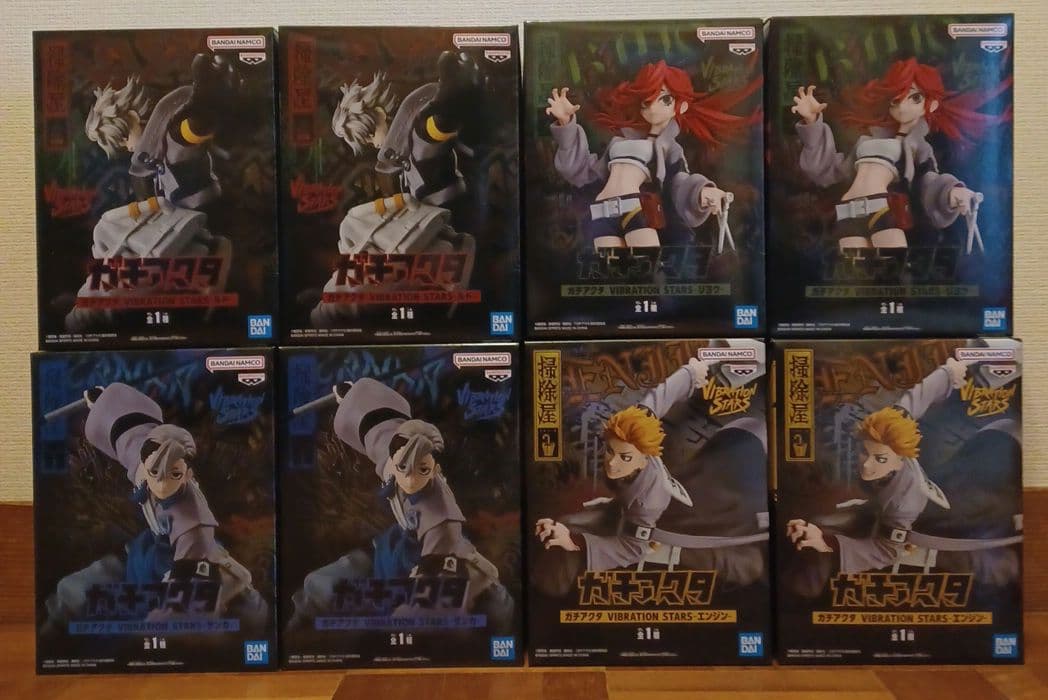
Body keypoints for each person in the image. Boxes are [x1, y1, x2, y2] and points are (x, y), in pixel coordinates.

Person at [533, 355, 769, 597]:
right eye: (610, 451)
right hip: (700, 485)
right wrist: (690, 373)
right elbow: (654, 403)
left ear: (644, 457)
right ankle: (545, 593)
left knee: (747, 565)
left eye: (625, 457)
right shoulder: (633, 436)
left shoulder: (650, 500)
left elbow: (632, 548)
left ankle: (548, 595)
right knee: (566, 525)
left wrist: (575, 543)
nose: (612, 462)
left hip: (682, 528)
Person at [288, 378, 512, 630]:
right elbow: (380, 431)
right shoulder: (395, 459)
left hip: (439, 564)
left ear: (434, 469)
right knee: (319, 586)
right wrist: (353, 397)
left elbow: (438, 576)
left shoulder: (438, 510)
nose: (410, 478)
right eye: (402, 467)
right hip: (393, 553)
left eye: (422, 469)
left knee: (494, 608)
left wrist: (406, 623)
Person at [43, 383, 264, 630]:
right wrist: (106, 402)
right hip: (146, 558)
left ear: (187, 473)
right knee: (72, 593)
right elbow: (132, 438)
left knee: (248, 614)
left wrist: (165, 619)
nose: (162, 482)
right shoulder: (147, 465)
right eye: (154, 472)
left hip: (185, 572)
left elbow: (191, 571)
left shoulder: (190, 514)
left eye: (174, 474)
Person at [67, 53, 240, 331]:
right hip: (175, 230)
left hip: (198, 229)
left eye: (124, 139)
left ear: (132, 117)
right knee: (106, 232)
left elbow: (193, 128)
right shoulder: (153, 155)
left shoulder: (171, 137)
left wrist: (208, 96)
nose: (127, 148)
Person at [792, 58, 1010, 261]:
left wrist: (953, 191)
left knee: (892, 272)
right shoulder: (867, 140)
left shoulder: (918, 147)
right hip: (848, 209)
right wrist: (812, 122)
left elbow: (929, 179)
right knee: (857, 277)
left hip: (881, 208)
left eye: (915, 97)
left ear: (932, 104)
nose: (903, 105)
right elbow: (828, 169)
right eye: (896, 99)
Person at [546, 60, 759, 250]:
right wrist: (566, 124)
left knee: (646, 270)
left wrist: (702, 192)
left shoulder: (670, 148)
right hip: (601, 211)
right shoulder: (620, 141)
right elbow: (583, 172)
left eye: (664, 99)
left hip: (634, 209)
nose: (653, 107)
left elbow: (679, 181)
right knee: (614, 276)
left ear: (682, 106)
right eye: (647, 101)